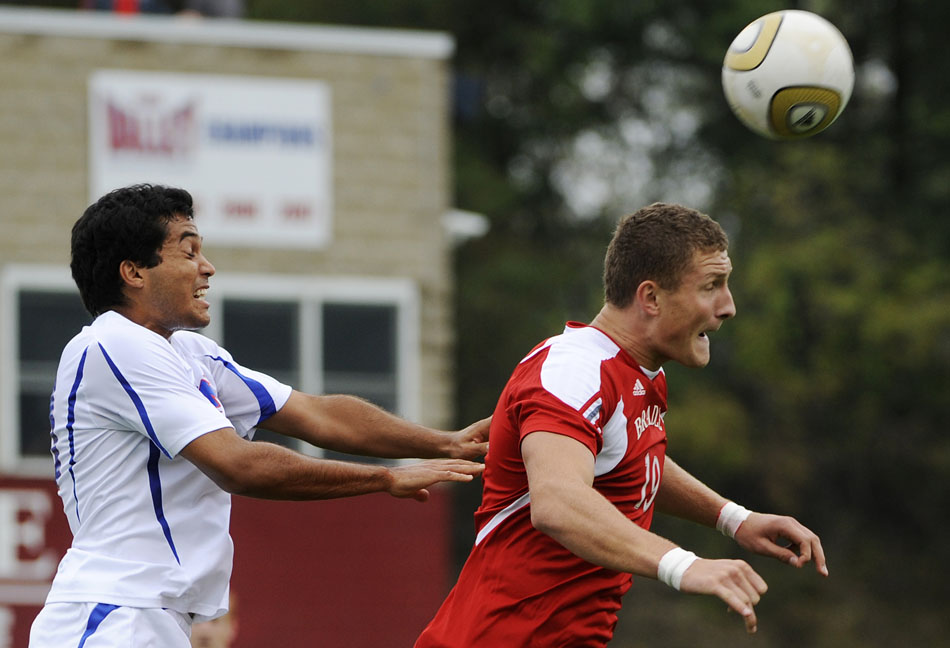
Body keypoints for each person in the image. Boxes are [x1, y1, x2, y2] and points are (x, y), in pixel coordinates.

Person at [28, 184, 488, 648]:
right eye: (188, 251)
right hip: (112, 617)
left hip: (145, 617)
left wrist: (446, 442)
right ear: (133, 272)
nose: (207, 267)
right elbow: (239, 466)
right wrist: (385, 480)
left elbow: (316, 413)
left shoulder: (188, 351)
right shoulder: (114, 345)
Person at [415, 202, 828, 647]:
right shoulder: (573, 371)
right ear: (650, 298)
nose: (728, 306)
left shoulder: (637, 374)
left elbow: (629, 459)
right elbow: (558, 501)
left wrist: (734, 519)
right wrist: (683, 564)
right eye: (712, 286)